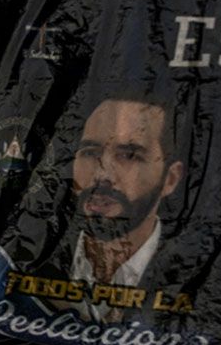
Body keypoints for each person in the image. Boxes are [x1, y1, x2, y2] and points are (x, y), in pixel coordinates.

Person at [68, 95, 183, 289]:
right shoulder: (30, 254)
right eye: (90, 152)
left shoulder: (194, 272)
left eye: (129, 156)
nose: (102, 174)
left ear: (170, 179)